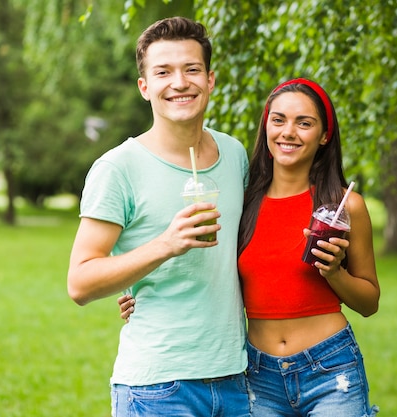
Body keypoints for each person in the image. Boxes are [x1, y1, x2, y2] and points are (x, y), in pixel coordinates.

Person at [121, 78, 381, 416]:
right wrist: (144, 295)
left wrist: (333, 274)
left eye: (304, 123)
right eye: (279, 120)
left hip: (331, 370)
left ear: (324, 135)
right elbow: (209, 267)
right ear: (266, 127)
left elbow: (369, 302)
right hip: (259, 377)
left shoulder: (344, 207)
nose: (289, 132)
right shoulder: (242, 202)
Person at [67, 17, 250, 417]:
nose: (180, 82)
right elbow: (80, 282)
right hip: (157, 388)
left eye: (192, 69)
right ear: (144, 86)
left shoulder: (234, 154)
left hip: (237, 379)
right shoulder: (117, 168)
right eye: (163, 72)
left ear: (211, 79)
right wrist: (165, 245)